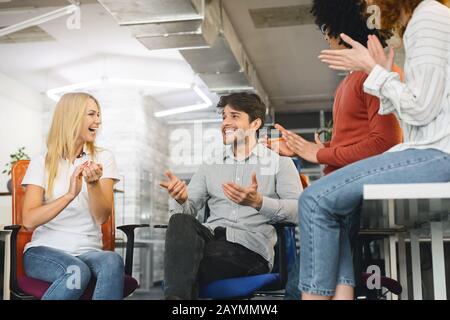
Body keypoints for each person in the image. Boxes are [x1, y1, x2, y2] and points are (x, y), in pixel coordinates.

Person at [294, 0, 450, 300]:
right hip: (432, 148)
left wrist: (374, 72)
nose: (367, 3)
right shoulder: (423, 18)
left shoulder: (427, 17)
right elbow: (419, 113)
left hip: (438, 153)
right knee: (321, 204)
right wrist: (380, 73)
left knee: (314, 201)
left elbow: (419, 110)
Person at [264, 0, 404, 300]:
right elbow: (357, 140)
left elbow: (384, 143)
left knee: (300, 288)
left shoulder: (372, 76)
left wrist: (321, 154)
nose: (325, 36)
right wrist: (307, 148)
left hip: (346, 192)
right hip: (340, 191)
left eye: (325, 29)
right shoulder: (353, 80)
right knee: (336, 281)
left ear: (337, 30)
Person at [160, 93, 302, 300]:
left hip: (250, 250)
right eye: (223, 117)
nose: (225, 123)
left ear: (255, 123)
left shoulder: (280, 163)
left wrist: (259, 202)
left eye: (234, 116)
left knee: (182, 264)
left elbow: (300, 211)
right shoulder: (210, 165)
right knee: (180, 220)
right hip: (209, 240)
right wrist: (181, 199)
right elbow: (188, 210)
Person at [21, 92, 125, 300]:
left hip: (88, 251)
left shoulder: (103, 158)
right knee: (76, 271)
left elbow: (101, 217)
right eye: (91, 114)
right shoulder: (42, 161)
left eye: (99, 114)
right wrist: (69, 195)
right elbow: (29, 220)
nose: (98, 120)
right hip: (44, 251)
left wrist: (93, 184)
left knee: (112, 261)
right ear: (72, 117)